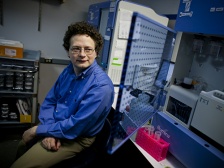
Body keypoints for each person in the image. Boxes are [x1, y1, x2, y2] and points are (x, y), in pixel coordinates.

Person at [10, 21, 114, 168]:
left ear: (96, 52)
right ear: (68, 51)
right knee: (23, 143)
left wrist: (38, 130)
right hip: (57, 124)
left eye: (88, 49)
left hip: (77, 137)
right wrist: (49, 130)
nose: (82, 54)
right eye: (76, 49)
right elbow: (51, 101)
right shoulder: (69, 70)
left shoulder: (101, 87)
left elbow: (76, 126)